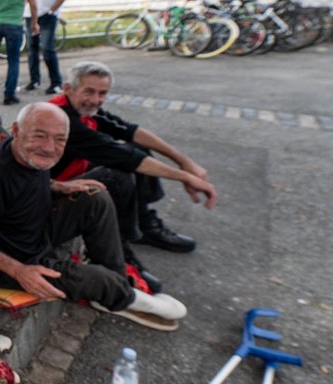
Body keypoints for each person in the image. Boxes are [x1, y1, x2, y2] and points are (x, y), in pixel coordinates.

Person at [0, 102, 188, 330]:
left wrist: (57, 186)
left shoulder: (25, 154)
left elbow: (24, 182)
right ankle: (119, 294)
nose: (50, 147)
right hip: (9, 261)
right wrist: (18, 270)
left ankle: (117, 287)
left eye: (60, 139)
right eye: (39, 135)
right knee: (99, 280)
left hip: (35, 232)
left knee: (96, 197)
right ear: (16, 130)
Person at [48, 62, 219, 291]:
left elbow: (130, 131)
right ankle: (120, 250)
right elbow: (122, 156)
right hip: (50, 194)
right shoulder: (61, 118)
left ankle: (145, 225)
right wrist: (184, 177)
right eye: (89, 91)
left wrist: (184, 161)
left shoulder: (82, 108)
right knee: (119, 174)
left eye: (103, 93)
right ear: (68, 89)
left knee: (138, 150)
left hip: (70, 177)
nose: (96, 100)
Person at [25, 0, 73, 95]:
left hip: (48, 14)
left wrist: (53, 9)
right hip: (31, 14)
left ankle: (55, 82)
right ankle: (34, 80)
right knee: (32, 49)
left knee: (47, 48)